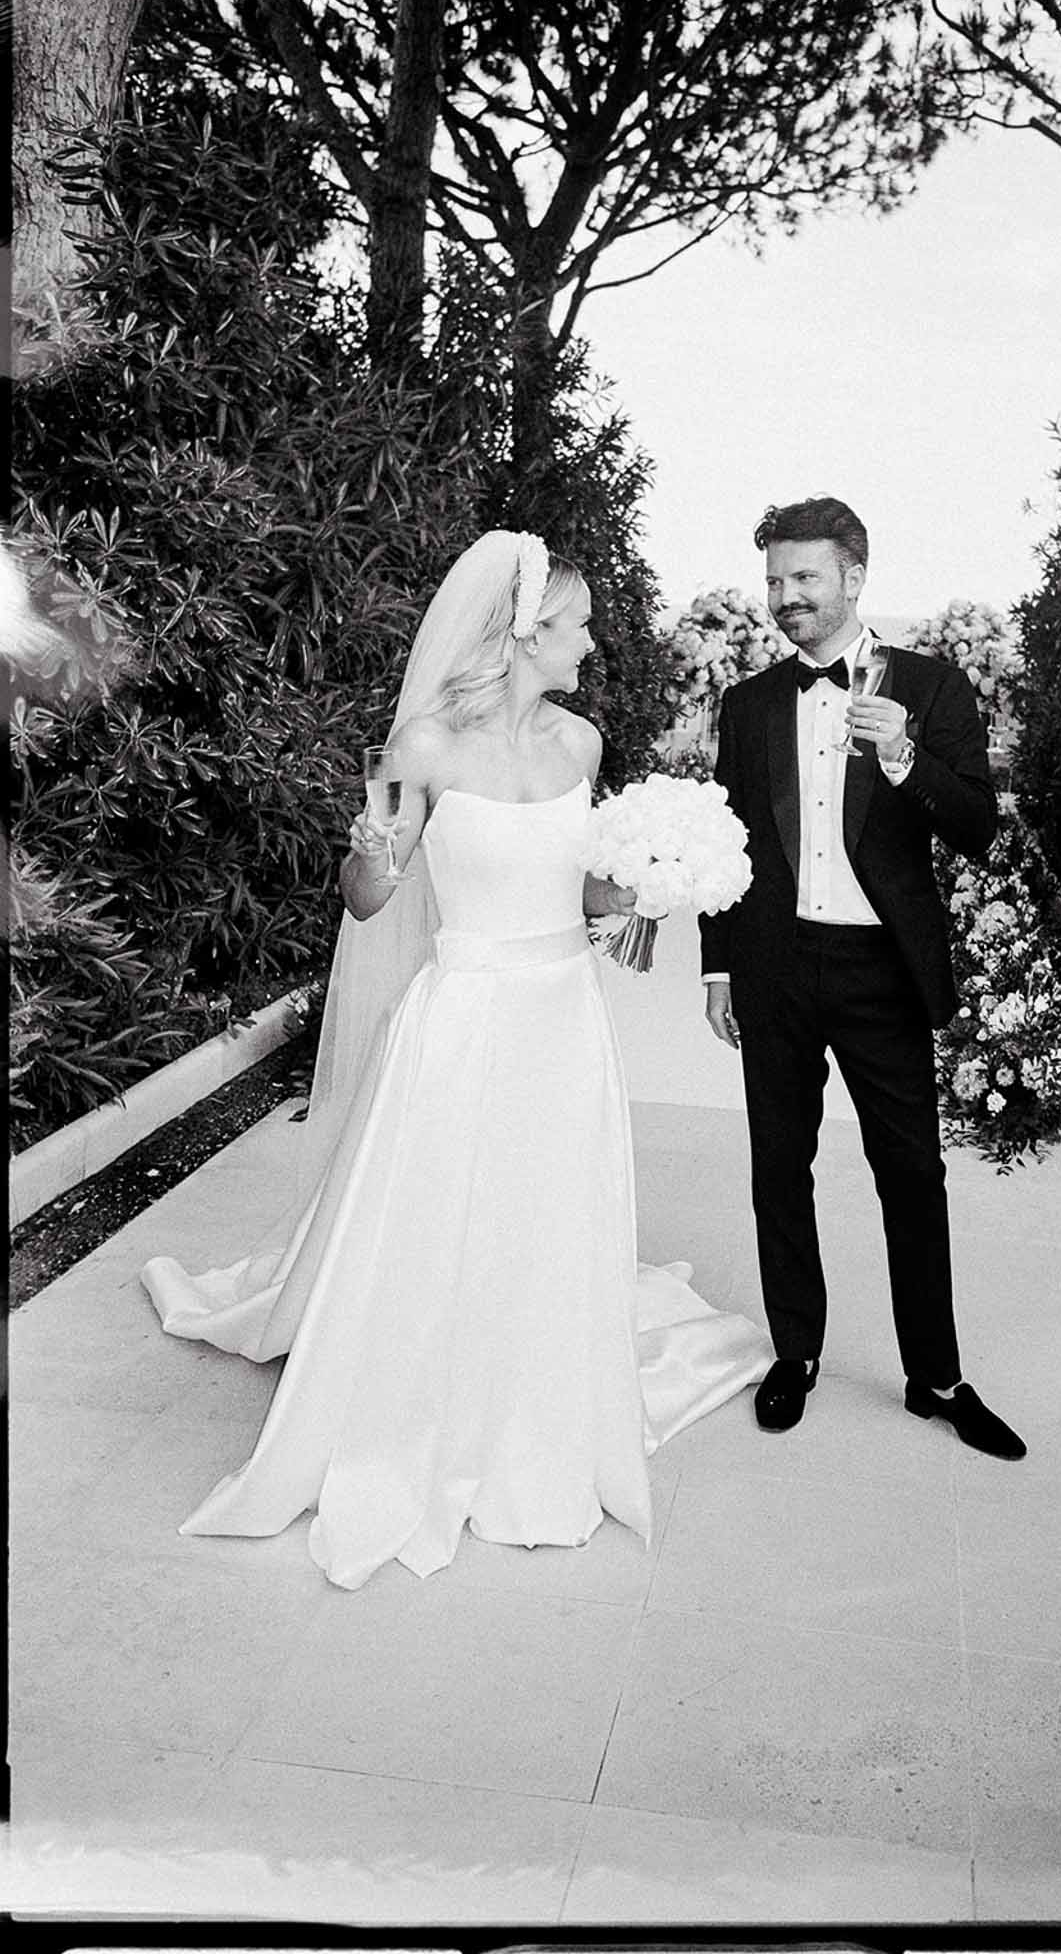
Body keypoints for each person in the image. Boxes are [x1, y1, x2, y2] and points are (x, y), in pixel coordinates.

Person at [143, 529, 771, 1588]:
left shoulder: (579, 745)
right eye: (572, 624)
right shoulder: (421, 747)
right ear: (521, 632)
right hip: (465, 1013)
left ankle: (533, 1396)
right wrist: (370, 852)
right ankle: (420, 1405)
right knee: (441, 1210)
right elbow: (365, 898)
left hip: (562, 1015)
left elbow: (578, 892)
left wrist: (646, 885)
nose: (588, 642)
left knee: (546, 1206)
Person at [701, 496, 1026, 1460]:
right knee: (777, 1167)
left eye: (804, 578)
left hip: (881, 970)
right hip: (775, 968)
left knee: (912, 1174)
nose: (785, 597)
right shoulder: (749, 703)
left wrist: (902, 756)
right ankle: (795, 1353)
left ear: (852, 577)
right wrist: (719, 966)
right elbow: (726, 844)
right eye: (774, 581)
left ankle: (936, 1376)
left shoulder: (930, 687)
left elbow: (977, 823)